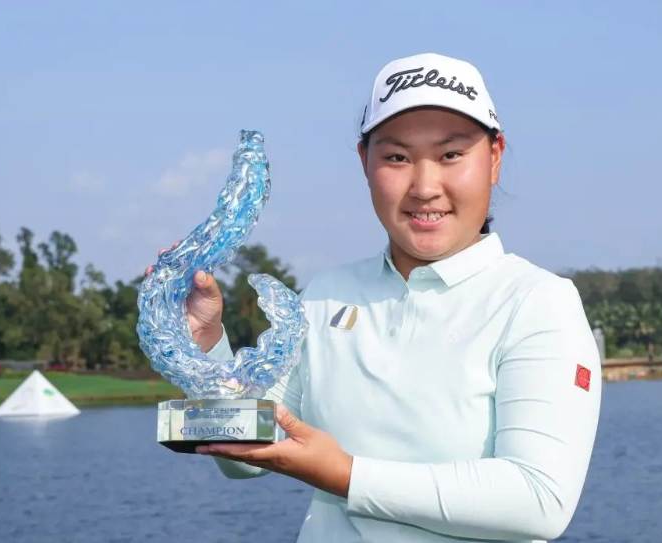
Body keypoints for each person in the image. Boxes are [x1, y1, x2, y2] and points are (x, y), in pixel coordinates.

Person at [149, 52, 603, 543]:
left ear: (494, 158)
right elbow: (247, 458)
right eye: (397, 158)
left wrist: (346, 475)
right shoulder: (326, 296)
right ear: (365, 162)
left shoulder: (538, 302)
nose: (425, 187)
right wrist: (206, 348)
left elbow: (538, 500)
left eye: (451, 155)